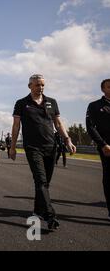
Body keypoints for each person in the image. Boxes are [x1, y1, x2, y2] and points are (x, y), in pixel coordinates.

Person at [10, 74, 76, 231]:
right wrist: (12, 146)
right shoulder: (21, 103)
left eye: (43, 85)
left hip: (51, 147)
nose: (40, 87)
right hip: (33, 147)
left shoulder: (51, 102)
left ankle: (37, 210)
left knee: (45, 183)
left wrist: (67, 139)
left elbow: (58, 123)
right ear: (30, 86)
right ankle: (50, 216)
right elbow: (16, 126)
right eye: (37, 85)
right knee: (40, 180)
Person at [86, 78, 110, 221]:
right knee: (108, 177)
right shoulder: (95, 106)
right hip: (106, 147)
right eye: (109, 87)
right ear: (103, 89)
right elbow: (90, 127)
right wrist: (102, 144)